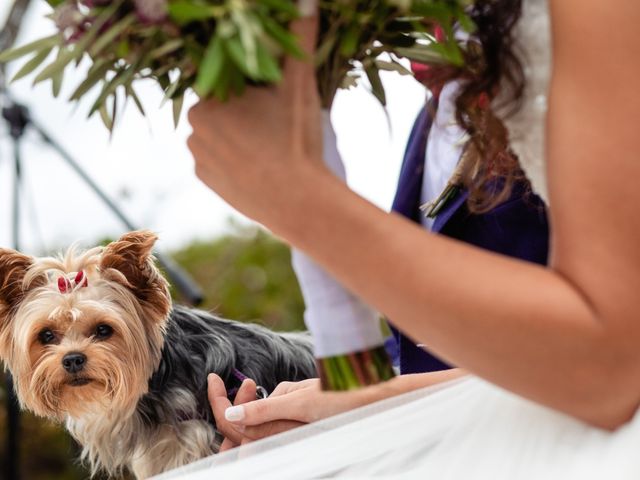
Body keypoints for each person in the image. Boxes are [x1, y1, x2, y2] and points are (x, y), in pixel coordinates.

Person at [182, 0, 640, 475]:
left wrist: (297, 196)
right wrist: (313, 406)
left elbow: (612, 363)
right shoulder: (438, 108)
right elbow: (425, 344)